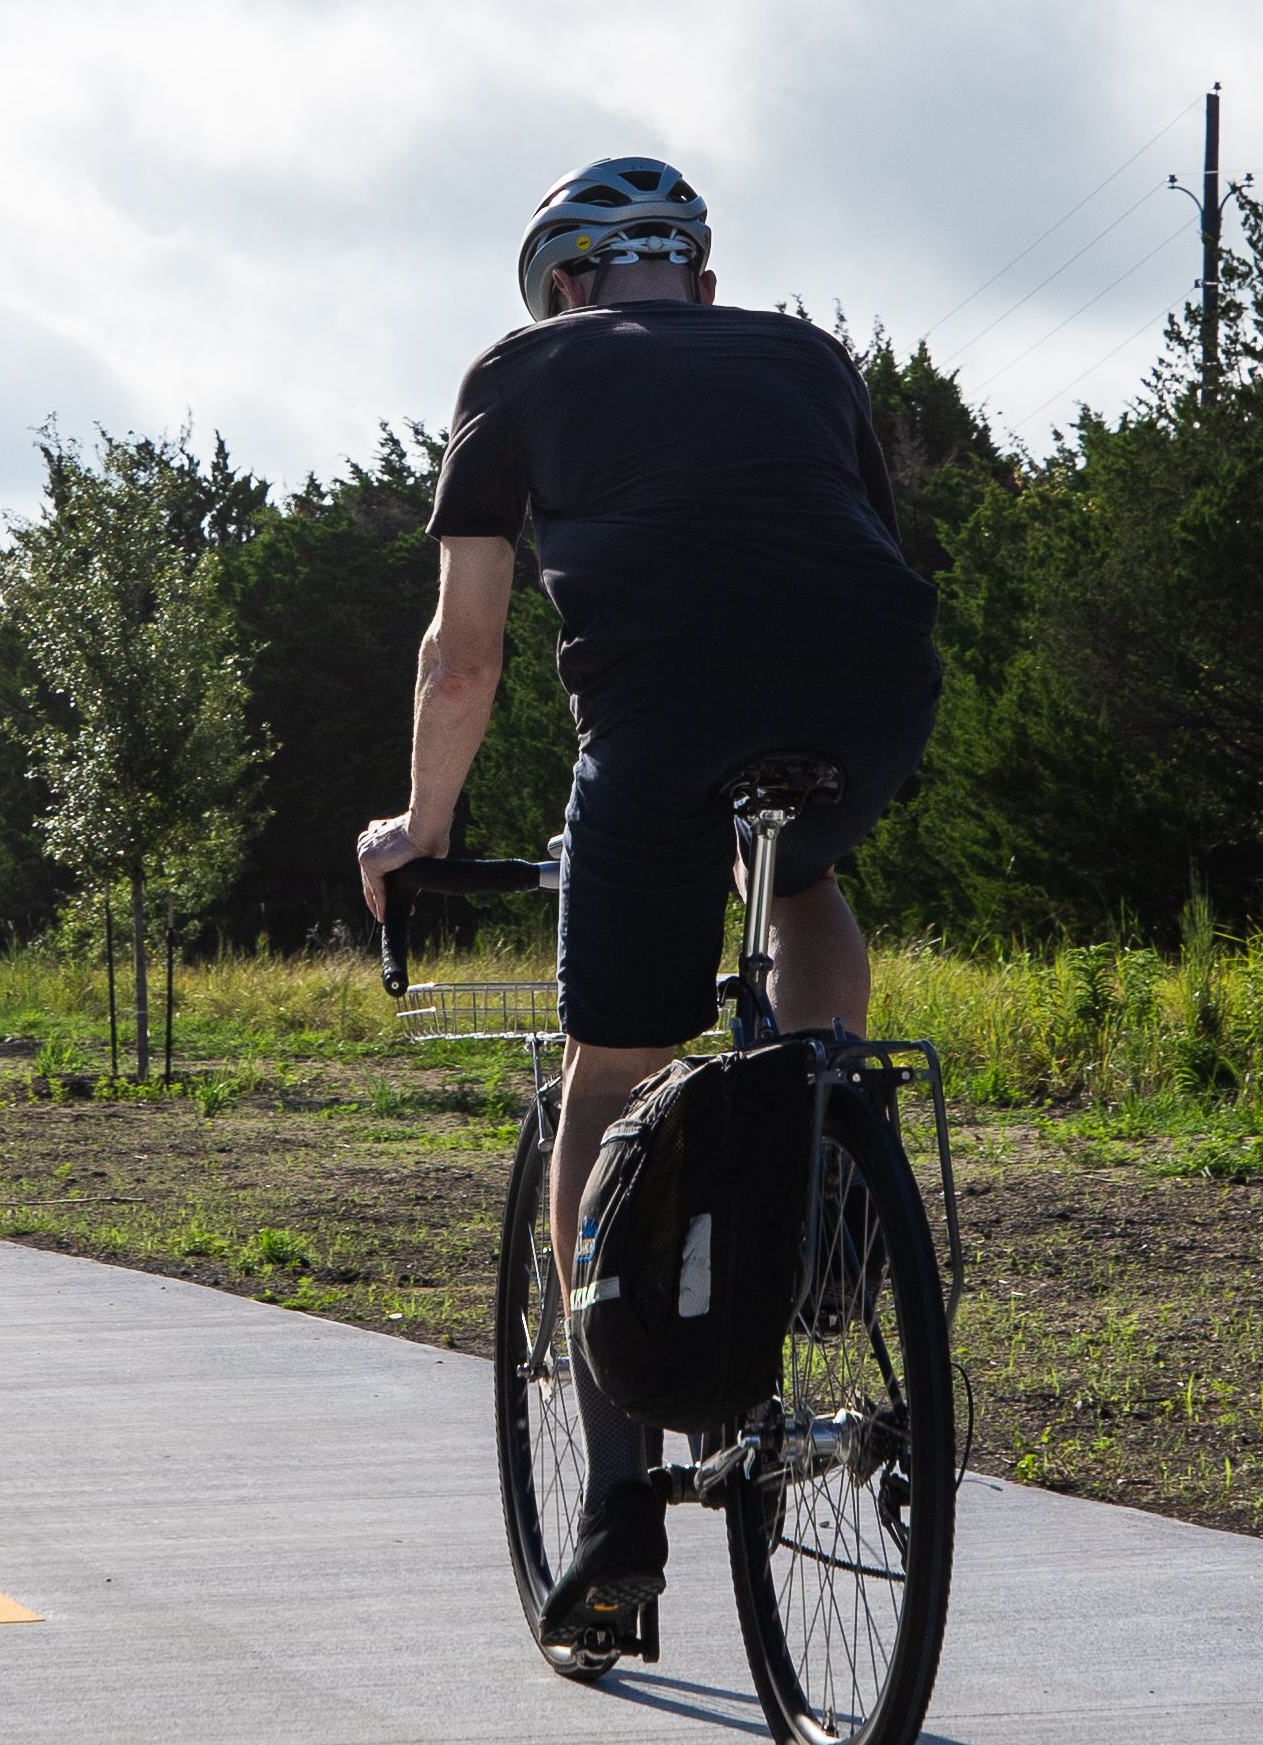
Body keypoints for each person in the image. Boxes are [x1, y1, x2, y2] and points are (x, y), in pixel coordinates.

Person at [353, 153, 940, 1656]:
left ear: (563, 280)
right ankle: (821, 1177)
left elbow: (462, 654)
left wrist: (421, 827)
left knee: (605, 1082)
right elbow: (848, 547)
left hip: (665, 719)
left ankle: (617, 1517)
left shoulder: (518, 369)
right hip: (875, 684)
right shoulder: (808, 355)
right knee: (802, 869)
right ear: (701, 278)